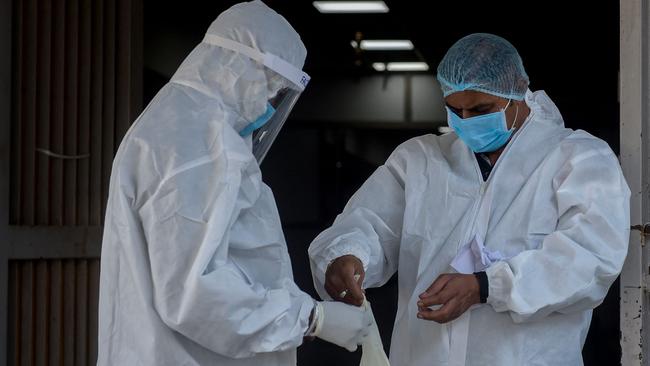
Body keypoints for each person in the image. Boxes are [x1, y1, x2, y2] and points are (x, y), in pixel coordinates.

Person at [308, 33, 630, 366]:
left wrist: (487, 286)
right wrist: (345, 255)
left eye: (481, 110)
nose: (466, 121)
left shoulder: (578, 160)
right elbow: (369, 223)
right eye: (454, 110)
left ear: (518, 91)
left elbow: (591, 259)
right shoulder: (419, 161)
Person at [97, 2, 371, 365]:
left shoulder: (183, 126)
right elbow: (193, 292)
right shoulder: (197, 143)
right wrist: (309, 318)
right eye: (273, 90)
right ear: (243, 70)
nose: (271, 106)